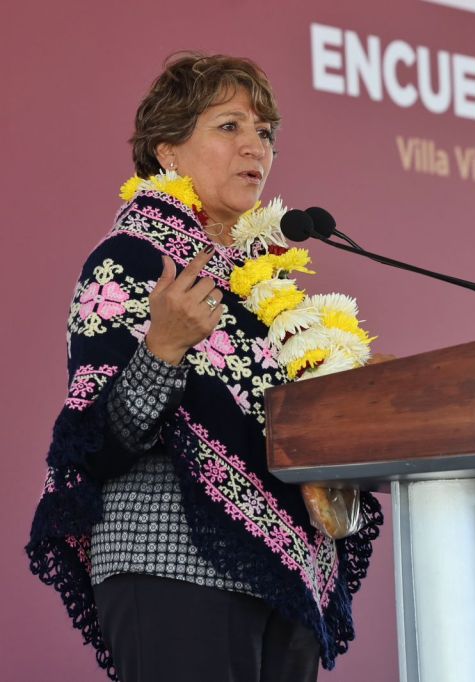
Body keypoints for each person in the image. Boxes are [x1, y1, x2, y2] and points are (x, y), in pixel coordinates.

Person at [26, 53, 382, 682]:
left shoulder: (263, 286)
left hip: (285, 580)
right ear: (168, 150)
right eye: (229, 127)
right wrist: (162, 348)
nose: (255, 147)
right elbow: (95, 447)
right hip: (173, 562)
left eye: (264, 132)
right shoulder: (132, 261)